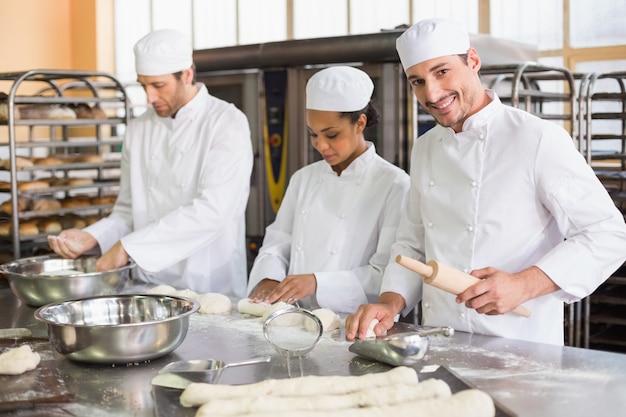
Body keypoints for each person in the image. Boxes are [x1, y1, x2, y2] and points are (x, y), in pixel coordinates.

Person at [346, 18, 626, 345]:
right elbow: (412, 245)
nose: (432, 93)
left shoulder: (536, 139)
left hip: (522, 347)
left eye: (442, 72)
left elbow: (608, 234)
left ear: (473, 61)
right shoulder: (425, 147)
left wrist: (525, 284)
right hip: (441, 341)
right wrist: (389, 304)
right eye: (417, 81)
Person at [48, 29, 253, 297]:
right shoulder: (139, 128)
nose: (149, 97)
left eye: (158, 85)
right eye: (143, 85)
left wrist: (127, 247)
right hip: (148, 285)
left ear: (187, 75)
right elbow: (127, 211)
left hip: (208, 285)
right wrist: (93, 237)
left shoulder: (226, 122)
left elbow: (213, 211)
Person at [247, 66, 410, 314]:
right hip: (291, 321)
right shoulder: (304, 178)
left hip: (352, 323)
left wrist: (317, 283)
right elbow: (277, 244)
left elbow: (387, 274)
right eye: (313, 134)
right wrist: (269, 279)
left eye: (331, 134)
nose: (321, 145)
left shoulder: (393, 184)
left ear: (360, 123)